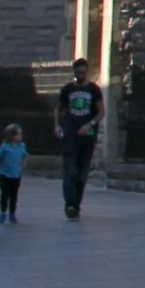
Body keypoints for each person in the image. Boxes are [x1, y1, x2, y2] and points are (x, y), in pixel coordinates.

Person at [53, 57, 104, 219]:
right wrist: (57, 125)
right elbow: (58, 109)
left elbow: (101, 111)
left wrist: (90, 124)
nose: (80, 75)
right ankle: (70, 204)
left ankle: (76, 204)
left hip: (87, 135)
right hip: (70, 133)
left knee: (82, 171)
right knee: (70, 169)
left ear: (86, 72)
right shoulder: (67, 89)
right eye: (77, 73)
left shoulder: (94, 90)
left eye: (83, 72)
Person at [0, 126, 29, 224]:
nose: (21, 136)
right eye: (18, 134)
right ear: (12, 136)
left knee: (14, 195)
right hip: (5, 174)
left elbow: (24, 155)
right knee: (4, 194)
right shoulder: (5, 146)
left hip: (16, 175)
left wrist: (23, 165)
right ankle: (3, 211)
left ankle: (12, 213)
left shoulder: (22, 146)